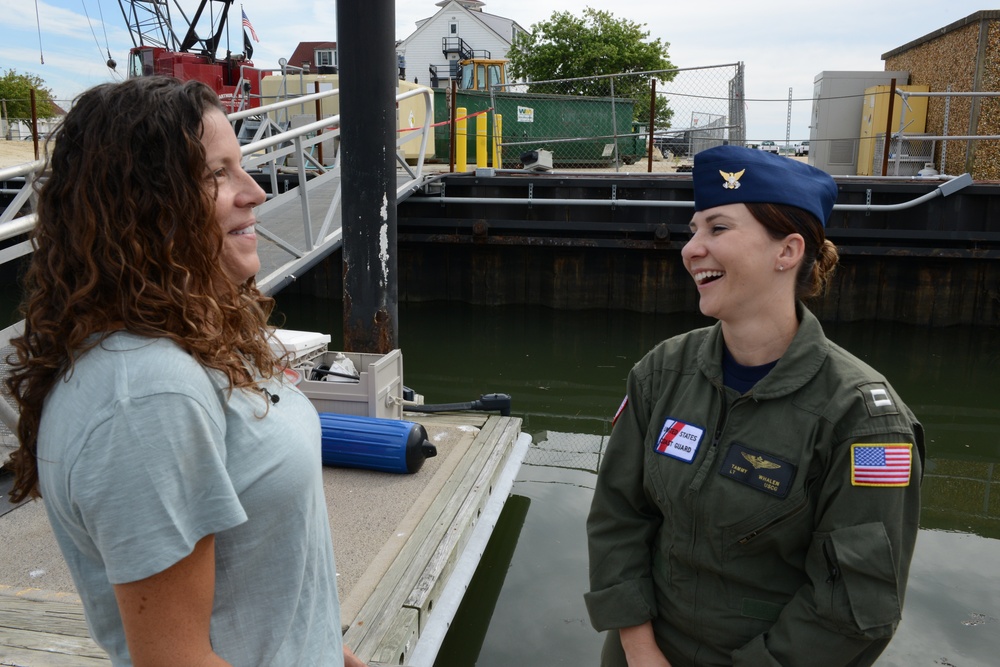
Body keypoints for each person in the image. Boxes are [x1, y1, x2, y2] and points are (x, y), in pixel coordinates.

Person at [5, 77, 364, 667]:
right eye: (215, 174)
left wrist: (329, 649)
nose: (254, 193)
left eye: (241, 166)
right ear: (139, 206)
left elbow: (264, 584)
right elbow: (175, 660)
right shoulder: (147, 394)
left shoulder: (196, 335)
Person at [585, 146, 924, 667]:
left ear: (786, 251)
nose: (691, 248)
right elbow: (618, 514)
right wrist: (639, 647)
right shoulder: (662, 372)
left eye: (717, 229)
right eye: (694, 229)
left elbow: (852, 606)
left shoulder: (867, 422)